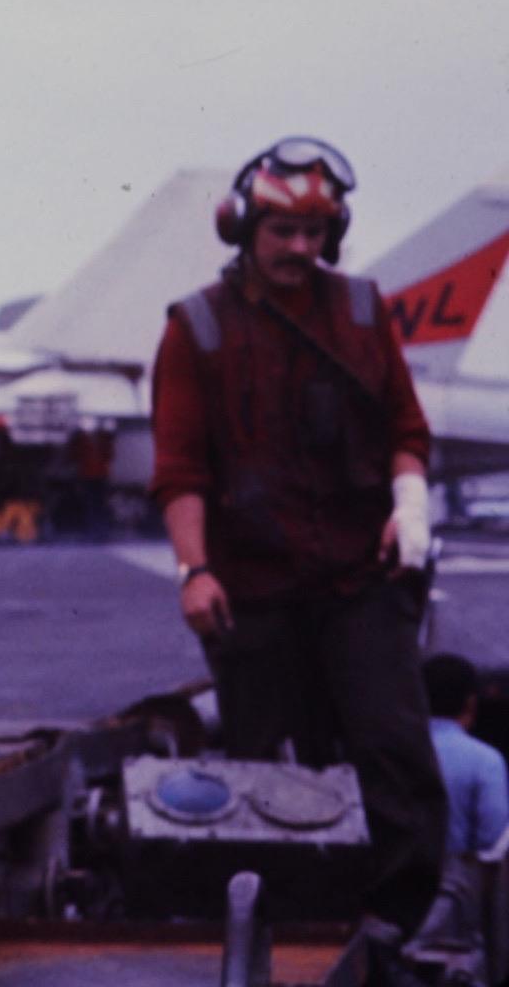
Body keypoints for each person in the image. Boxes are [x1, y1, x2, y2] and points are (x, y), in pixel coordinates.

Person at [152, 136, 446, 953]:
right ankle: (274, 929)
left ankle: (395, 925)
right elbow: (180, 470)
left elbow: (406, 432)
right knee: (262, 768)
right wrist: (194, 570)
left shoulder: (361, 311)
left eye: (315, 232)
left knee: (395, 752)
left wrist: (407, 507)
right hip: (253, 591)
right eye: (282, 230)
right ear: (243, 227)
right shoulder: (196, 328)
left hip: (360, 578)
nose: (299, 248)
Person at [425, 654, 509, 860]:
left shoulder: (392, 750)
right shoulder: (485, 761)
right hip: (452, 885)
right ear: (470, 703)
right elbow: (494, 840)